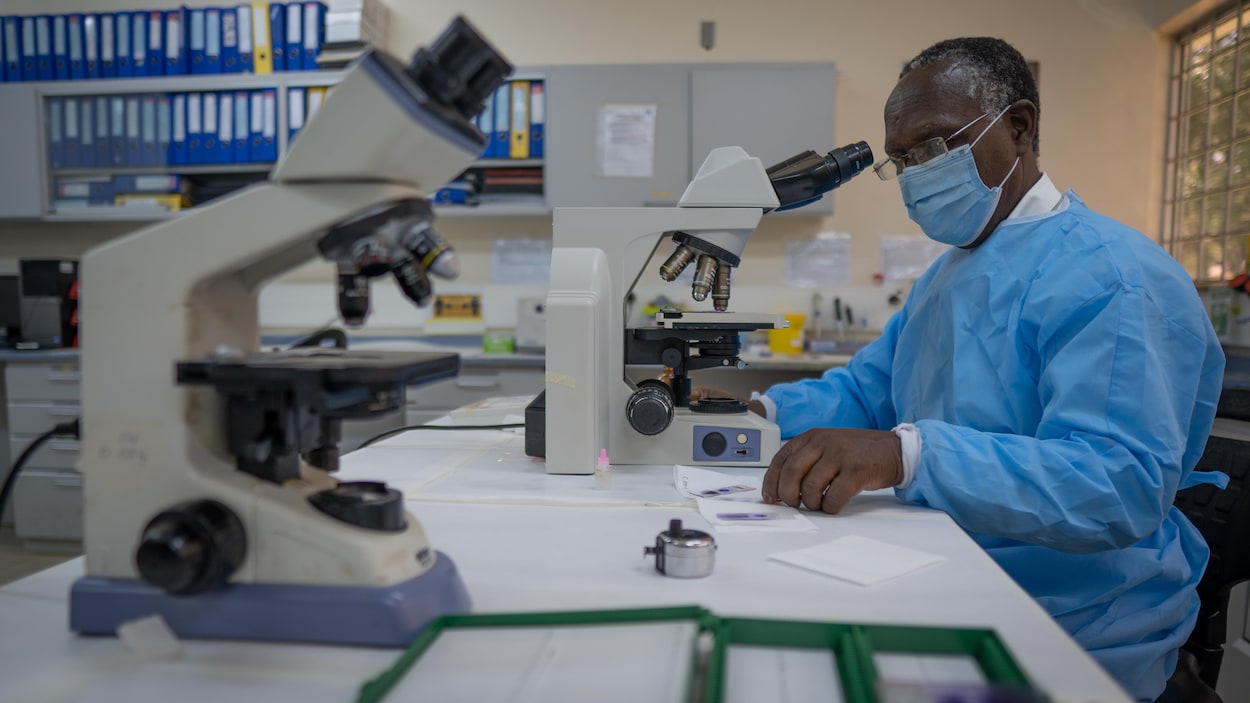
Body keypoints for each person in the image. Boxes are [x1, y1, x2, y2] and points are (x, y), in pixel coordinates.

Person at [694, 38, 1227, 701]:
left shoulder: (1113, 277)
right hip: (944, 561)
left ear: (1020, 127)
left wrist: (908, 456)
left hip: (1074, 617)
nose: (917, 172)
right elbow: (867, 393)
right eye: (902, 159)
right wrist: (760, 415)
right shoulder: (949, 274)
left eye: (936, 146)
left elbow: (1118, 483)